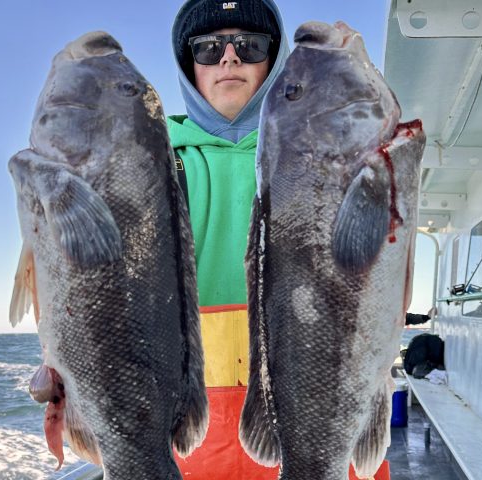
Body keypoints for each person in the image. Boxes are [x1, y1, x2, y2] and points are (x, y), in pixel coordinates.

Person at [167, 0, 289, 477]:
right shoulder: (154, 160)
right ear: (187, 65)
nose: (229, 58)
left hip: (311, 392)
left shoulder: (314, 155)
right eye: (209, 48)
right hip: (186, 417)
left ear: (273, 61)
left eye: (250, 45)